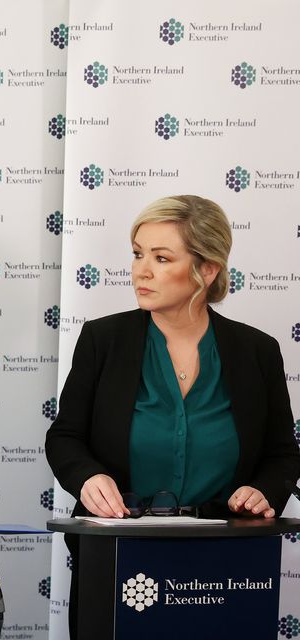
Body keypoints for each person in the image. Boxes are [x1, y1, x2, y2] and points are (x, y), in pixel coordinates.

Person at [45, 195, 300, 637]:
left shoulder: (256, 351)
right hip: (118, 553)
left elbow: (282, 454)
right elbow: (65, 437)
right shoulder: (103, 340)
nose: (141, 270)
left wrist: (263, 491)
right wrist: (87, 478)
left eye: (161, 258)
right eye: (138, 253)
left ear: (207, 270)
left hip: (226, 563)